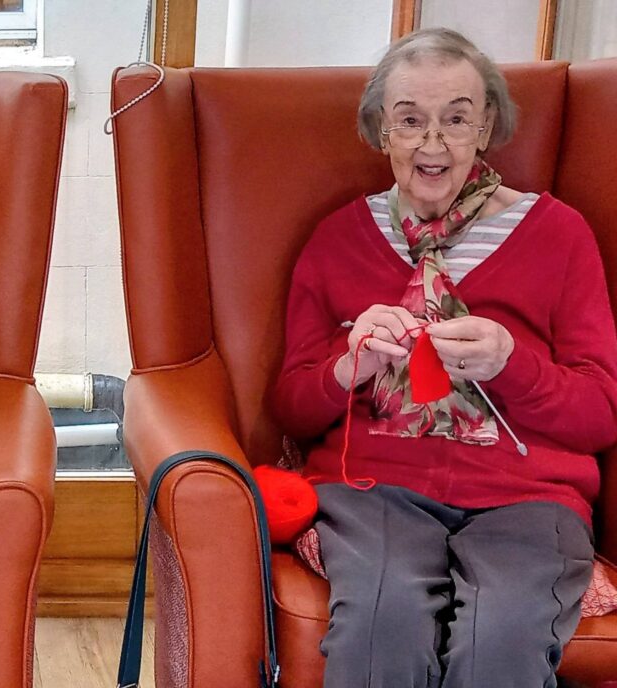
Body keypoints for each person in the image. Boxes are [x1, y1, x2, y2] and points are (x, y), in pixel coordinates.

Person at [273, 28, 617, 688]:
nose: (434, 143)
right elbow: (290, 402)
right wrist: (352, 366)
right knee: (384, 622)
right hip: (375, 492)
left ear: (486, 125)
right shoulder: (338, 239)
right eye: (410, 120)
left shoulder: (560, 235)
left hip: (528, 499)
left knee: (500, 640)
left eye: (456, 118)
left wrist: (511, 363)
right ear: (381, 131)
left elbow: (601, 413)